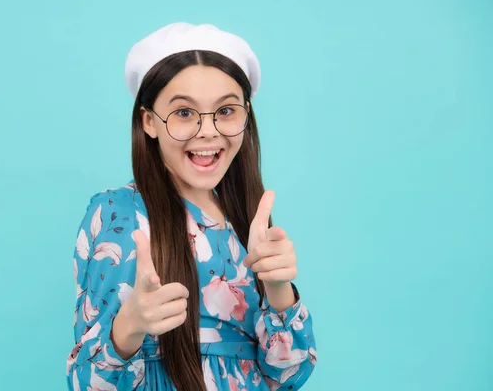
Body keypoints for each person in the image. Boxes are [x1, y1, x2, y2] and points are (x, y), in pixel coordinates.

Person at [66, 22, 317, 391]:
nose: (208, 131)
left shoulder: (245, 223)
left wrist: (279, 289)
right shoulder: (121, 214)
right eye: (184, 113)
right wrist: (130, 326)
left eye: (226, 111)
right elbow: (86, 384)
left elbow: (288, 376)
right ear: (149, 121)